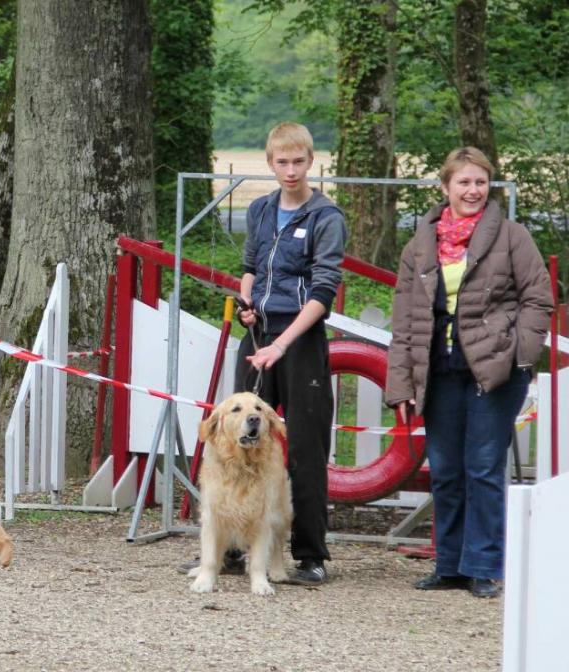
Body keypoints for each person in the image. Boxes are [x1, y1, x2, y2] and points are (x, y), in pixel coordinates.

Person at [387, 147, 552, 599]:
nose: (473, 190)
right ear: (445, 188)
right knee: (444, 470)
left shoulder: (512, 237)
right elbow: (405, 318)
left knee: (482, 467)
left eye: (480, 182)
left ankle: (483, 565)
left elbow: (539, 299)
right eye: (463, 182)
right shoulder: (420, 244)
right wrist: (400, 381)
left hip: (494, 369)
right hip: (438, 372)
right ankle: (451, 564)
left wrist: (521, 351)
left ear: (489, 186)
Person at [232, 122, 347, 586]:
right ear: (271, 163)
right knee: (240, 441)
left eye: (299, 161)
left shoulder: (326, 217)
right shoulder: (260, 210)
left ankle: (310, 554)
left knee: (303, 448)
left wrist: (283, 343)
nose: (291, 170)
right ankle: (237, 548)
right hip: (258, 336)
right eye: (282, 162)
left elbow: (324, 290)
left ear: (310, 162)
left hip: (300, 339)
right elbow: (248, 269)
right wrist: (246, 307)